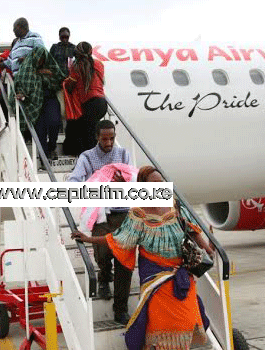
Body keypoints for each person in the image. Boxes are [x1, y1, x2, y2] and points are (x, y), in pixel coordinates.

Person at [72, 166, 214, 350]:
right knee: (161, 329)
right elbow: (118, 239)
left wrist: (206, 248)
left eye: (162, 183)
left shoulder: (174, 203)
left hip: (182, 277)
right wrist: (88, 238)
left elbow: (191, 229)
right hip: (157, 279)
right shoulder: (138, 213)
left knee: (186, 323)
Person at [68, 119, 132, 324]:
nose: (109, 142)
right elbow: (74, 181)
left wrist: (125, 182)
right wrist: (92, 185)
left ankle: (120, 309)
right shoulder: (87, 157)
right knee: (103, 254)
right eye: (105, 139)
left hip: (122, 213)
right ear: (97, 137)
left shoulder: (123, 154)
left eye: (112, 138)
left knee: (124, 262)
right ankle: (104, 277)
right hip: (101, 213)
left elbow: (133, 179)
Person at [12, 46, 66, 160]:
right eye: (38, 58)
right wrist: (21, 93)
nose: (40, 61)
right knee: (40, 130)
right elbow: (21, 82)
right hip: (34, 103)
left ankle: (52, 147)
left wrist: (49, 75)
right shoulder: (27, 68)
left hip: (49, 99)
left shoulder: (51, 67)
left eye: (42, 58)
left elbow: (60, 81)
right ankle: (44, 157)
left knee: (54, 122)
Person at [63, 41, 107, 156]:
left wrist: (65, 82)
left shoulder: (76, 67)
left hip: (90, 103)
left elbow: (70, 86)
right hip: (102, 103)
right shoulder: (99, 64)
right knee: (91, 131)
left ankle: (89, 160)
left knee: (87, 134)